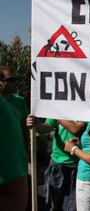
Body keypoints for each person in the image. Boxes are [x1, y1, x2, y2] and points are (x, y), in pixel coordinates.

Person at [27, 116, 86, 211]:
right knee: (53, 205)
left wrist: (58, 116)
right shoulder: (60, 106)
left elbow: (76, 129)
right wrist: (35, 124)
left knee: (72, 207)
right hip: (57, 164)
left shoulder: (87, 109)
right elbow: (47, 128)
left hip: (79, 165)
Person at [0, 67, 28, 211]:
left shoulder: (19, 101)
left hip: (17, 163)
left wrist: (26, 152)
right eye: (10, 80)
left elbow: (23, 128)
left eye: (16, 79)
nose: (15, 83)